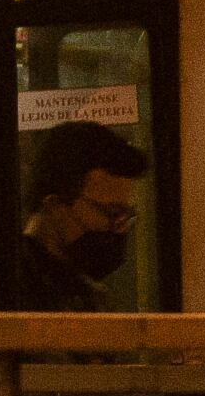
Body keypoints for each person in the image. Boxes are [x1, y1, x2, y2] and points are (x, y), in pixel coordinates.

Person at [15, 120, 147, 311]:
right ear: (55, 204)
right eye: (111, 212)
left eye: (126, 215)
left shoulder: (86, 292)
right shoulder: (15, 291)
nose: (120, 227)